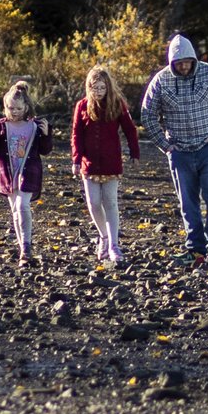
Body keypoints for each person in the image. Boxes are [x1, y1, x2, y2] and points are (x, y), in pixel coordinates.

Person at [139, 29, 208, 270]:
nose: (183, 67)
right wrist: (165, 146)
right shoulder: (161, 80)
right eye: (178, 63)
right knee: (187, 202)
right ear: (172, 62)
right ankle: (195, 250)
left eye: (186, 63)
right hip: (179, 151)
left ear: (193, 59)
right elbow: (148, 115)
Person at [69, 59, 140, 266]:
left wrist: (134, 153)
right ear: (89, 87)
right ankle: (103, 236)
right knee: (92, 202)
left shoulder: (117, 105)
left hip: (111, 162)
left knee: (110, 202)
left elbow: (130, 130)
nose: (98, 92)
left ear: (108, 87)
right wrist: (76, 159)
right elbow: (76, 134)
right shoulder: (82, 106)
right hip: (89, 162)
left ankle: (114, 244)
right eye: (95, 88)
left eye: (102, 88)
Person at [0, 76, 47, 267]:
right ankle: (22, 244)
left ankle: (26, 246)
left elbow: (46, 150)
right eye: (10, 108)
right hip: (8, 173)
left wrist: (47, 133)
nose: (13, 112)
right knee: (15, 208)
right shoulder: (0, 126)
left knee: (23, 205)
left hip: (29, 171)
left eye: (18, 108)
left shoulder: (35, 126)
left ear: (26, 107)